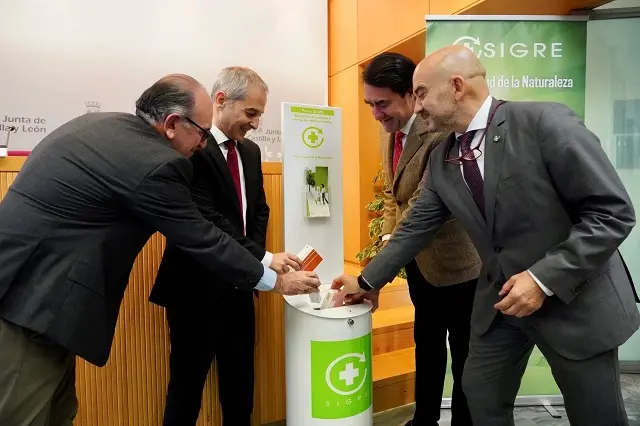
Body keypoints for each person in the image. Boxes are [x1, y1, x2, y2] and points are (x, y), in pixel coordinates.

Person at [333, 46, 640, 426]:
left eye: (423, 93)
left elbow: (612, 213)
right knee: (480, 395)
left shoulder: (544, 122)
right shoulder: (443, 157)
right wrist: (366, 281)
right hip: (502, 304)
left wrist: (541, 279)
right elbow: (415, 225)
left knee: (595, 415)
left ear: (456, 86)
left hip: (574, 301)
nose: (418, 106)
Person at [0, 74, 320, 426]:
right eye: (202, 133)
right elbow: (201, 235)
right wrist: (277, 281)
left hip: (33, 294)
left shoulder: (104, 126)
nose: (203, 144)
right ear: (172, 124)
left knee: (57, 411)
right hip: (30, 304)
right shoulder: (155, 161)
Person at [150, 67, 299, 426]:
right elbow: (208, 218)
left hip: (242, 287)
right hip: (195, 291)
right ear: (221, 100)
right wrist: (263, 258)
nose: (256, 123)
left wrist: (255, 263)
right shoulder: (190, 148)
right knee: (186, 389)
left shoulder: (251, 151)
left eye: (260, 114)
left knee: (240, 389)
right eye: (251, 112)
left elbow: (259, 209)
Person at [362, 52, 480, 426]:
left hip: (459, 267)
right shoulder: (389, 132)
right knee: (426, 345)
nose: (376, 114)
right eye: (370, 104)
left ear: (411, 95)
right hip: (418, 264)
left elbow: (419, 209)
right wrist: (386, 241)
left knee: (464, 354)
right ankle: (424, 419)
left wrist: (371, 276)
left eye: (382, 103)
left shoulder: (441, 133)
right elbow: (391, 195)